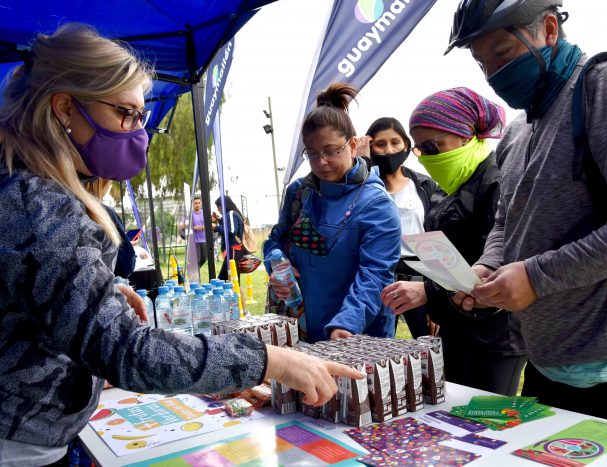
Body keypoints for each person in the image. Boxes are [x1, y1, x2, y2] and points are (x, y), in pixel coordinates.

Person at [0, 24, 363, 466]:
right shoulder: (40, 207)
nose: (140, 132)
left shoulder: (24, 194)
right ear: (64, 109)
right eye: (126, 114)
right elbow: (130, 353)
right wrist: (271, 360)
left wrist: (97, 294)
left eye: (142, 116)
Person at [445, 0, 607, 434]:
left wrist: (536, 277)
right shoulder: (518, 132)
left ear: (549, 28)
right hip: (546, 363)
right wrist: (489, 265)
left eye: (502, 54)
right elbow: (506, 222)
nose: (493, 74)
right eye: (482, 63)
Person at [381, 88, 526, 395]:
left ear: (464, 137)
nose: (428, 157)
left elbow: (500, 261)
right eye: (421, 150)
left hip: (494, 335)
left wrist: (425, 291)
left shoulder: (496, 182)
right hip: (457, 326)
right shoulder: (448, 186)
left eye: (434, 146)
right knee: (456, 418)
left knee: (487, 420)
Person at [264, 83, 402, 343]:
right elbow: (275, 241)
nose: (321, 162)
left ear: (352, 145)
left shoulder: (377, 204)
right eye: (312, 154)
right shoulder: (299, 193)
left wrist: (345, 324)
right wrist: (276, 262)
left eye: (331, 151)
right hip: (304, 333)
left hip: (358, 336)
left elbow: (374, 275)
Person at [360, 117, 443, 338]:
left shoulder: (425, 185)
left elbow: (435, 237)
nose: (389, 150)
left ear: (406, 144)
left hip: (419, 275)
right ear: (371, 147)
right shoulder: (366, 187)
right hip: (380, 275)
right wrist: (362, 162)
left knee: (429, 349)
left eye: (395, 142)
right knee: (377, 347)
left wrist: (435, 297)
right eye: (380, 144)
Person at [84, 177, 136, 279]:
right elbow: (125, 266)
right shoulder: (105, 213)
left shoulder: (63, 209)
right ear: (104, 182)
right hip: (103, 288)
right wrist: (127, 246)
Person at [190, 194, 209, 267]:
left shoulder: (205, 213)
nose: (197, 204)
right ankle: (197, 275)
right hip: (195, 241)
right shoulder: (190, 214)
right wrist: (194, 228)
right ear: (193, 204)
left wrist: (202, 227)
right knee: (197, 260)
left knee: (204, 258)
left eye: (199, 203)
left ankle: (195, 268)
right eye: (195, 203)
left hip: (204, 240)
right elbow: (187, 226)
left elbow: (208, 224)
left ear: (201, 204)